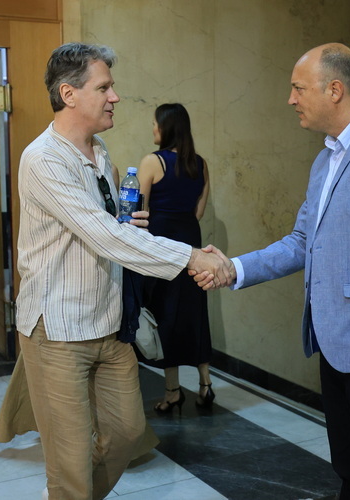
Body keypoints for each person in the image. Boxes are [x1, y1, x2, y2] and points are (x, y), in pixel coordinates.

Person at [197, 43, 350, 499]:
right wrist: (233, 268)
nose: (291, 99)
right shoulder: (325, 159)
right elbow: (302, 242)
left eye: (298, 88)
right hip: (334, 345)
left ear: (334, 90)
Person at [17, 42, 232, 500]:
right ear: (69, 94)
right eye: (104, 88)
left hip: (110, 324)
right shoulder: (43, 159)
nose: (115, 96)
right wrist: (191, 257)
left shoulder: (98, 150)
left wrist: (124, 223)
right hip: (60, 329)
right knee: (71, 461)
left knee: (129, 433)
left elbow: (109, 228)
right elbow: (104, 237)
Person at [136, 103, 214, 413]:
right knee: (194, 314)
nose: (153, 128)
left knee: (164, 315)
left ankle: (172, 391)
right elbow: (199, 211)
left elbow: (139, 212)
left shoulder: (152, 162)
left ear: (166, 127)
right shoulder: (200, 164)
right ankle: (205, 384)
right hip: (191, 243)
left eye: (155, 123)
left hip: (160, 246)